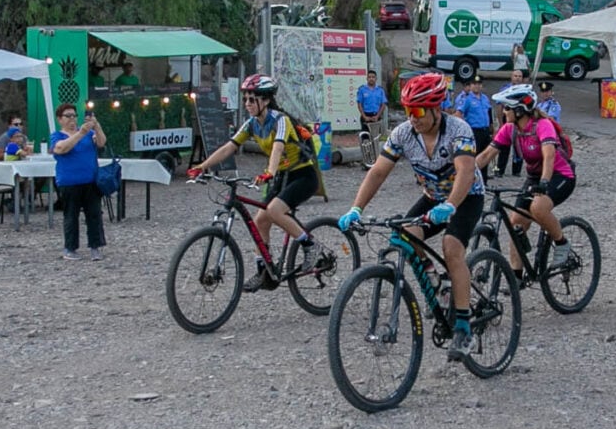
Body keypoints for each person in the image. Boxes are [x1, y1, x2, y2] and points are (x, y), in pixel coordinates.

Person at [339, 72, 486, 362]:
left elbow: (466, 172)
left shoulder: (458, 129)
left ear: (436, 109)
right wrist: (356, 208)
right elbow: (379, 171)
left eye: (418, 111)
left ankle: (463, 326)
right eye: (407, 111)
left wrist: (452, 205)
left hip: (466, 197)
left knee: (452, 248)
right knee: (402, 236)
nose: (412, 118)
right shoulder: (404, 133)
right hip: (433, 197)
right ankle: (438, 284)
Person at [190, 74, 323, 286]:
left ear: (266, 100)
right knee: (260, 220)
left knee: (274, 211)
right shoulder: (252, 123)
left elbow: (278, 147)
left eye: (252, 99)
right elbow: (229, 147)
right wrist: (201, 166)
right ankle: (265, 273)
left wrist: (269, 172)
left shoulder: (281, 120)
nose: (247, 104)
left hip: (302, 175)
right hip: (281, 176)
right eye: (246, 99)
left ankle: (310, 245)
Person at [479, 82, 576, 257]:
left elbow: (549, 156)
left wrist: (544, 182)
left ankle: (562, 244)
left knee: (538, 208)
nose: (503, 112)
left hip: (560, 175)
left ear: (519, 110)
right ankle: (517, 276)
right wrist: (461, 174)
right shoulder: (510, 129)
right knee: (516, 225)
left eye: (507, 108)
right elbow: (486, 155)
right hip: (534, 177)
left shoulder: (542, 125)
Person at [50, 103, 107, 258]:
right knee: (71, 216)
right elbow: (61, 148)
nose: (71, 119)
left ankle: (95, 246)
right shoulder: (57, 136)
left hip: (90, 181)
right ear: (60, 119)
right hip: (69, 182)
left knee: (94, 215)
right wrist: (80, 133)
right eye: (67, 116)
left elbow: (101, 142)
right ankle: (70, 248)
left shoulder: (88, 135)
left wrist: (96, 126)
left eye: (74, 115)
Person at [454, 68, 493, 156]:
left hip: (485, 131)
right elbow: (458, 114)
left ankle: (484, 170)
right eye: (474, 84)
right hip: (474, 131)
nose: (477, 86)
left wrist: (491, 127)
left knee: (485, 156)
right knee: (474, 156)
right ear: (470, 85)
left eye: (479, 84)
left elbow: (489, 113)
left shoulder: (485, 98)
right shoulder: (467, 99)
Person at [354, 70, 387, 146]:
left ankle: (375, 156)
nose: (371, 79)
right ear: (367, 78)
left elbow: (383, 104)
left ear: (376, 78)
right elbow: (359, 104)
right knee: (365, 139)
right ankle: (366, 156)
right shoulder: (362, 89)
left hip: (376, 117)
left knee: (375, 139)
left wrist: (377, 116)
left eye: (373, 77)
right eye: (369, 77)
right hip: (365, 117)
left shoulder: (380, 90)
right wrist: (364, 116)